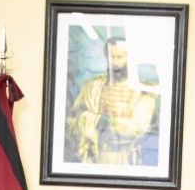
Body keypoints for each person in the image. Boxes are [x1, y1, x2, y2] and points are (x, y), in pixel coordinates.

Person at [66, 36, 159, 166]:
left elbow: (138, 127)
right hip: (94, 158)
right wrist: (98, 120)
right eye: (111, 57)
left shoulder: (144, 91)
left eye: (119, 57)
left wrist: (106, 121)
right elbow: (73, 120)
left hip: (126, 160)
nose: (114, 62)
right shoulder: (92, 87)